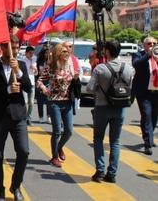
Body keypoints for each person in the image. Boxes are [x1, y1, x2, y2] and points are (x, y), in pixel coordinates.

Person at [0, 36, 31, 201]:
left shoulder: (22, 65)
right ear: (2, 49)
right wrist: (7, 90)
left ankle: (16, 185)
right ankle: (0, 190)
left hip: (18, 116)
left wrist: (18, 72)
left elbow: (28, 87)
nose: (15, 50)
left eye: (17, 47)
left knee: (24, 152)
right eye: (11, 47)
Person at [87, 40, 134, 183]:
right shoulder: (129, 68)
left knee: (98, 139)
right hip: (120, 108)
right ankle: (112, 173)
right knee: (115, 141)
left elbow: (89, 88)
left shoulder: (100, 68)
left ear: (106, 51)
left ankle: (100, 170)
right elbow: (129, 87)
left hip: (102, 106)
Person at [37, 44, 78, 168]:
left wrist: (76, 78)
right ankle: (54, 157)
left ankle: (59, 147)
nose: (67, 53)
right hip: (54, 101)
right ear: (58, 53)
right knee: (56, 131)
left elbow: (73, 82)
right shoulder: (50, 66)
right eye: (64, 51)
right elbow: (39, 80)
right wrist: (44, 89)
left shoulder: (70, 65)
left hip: (67, 102)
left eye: (68, 51)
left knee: (69, 131)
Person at [131, 36, 158, 155]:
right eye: (149, 43)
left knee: (154, 117)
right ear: (144, 45)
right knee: (146, 115)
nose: (152, 45)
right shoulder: (138, 54)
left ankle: (150, 136)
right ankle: (148, 144)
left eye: (154, 43)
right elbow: (136, 64)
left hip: (156, 91)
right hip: (143, 92)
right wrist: (149, 55)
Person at [19, 46, 37, 125]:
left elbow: (36, 73)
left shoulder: (34, 60)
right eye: (30, 53)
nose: (31, 55)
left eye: (33, 53)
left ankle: (29, 117)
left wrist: (35, 69)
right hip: (24, 83)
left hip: (32, 83)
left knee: (31, 102)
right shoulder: (22, 60)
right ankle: (23, 117)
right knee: (25, 101)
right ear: (26, 53)